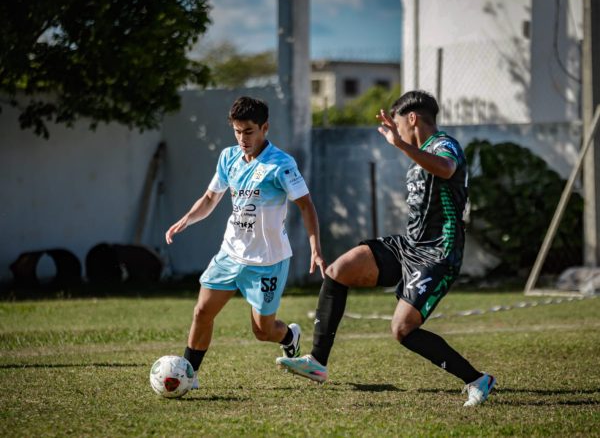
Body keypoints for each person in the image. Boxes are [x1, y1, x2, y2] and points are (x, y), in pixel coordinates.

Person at [276, 90, 496, 407]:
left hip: (438, 253)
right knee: (338, 271)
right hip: (409, 246)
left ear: (412, 118)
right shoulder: (420, 152)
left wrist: (401, 145)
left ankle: (477, 379)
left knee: (403, 329)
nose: (396, 131)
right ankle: (317, 362)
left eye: (398, 124)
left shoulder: (444, 145)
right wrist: (405, 145)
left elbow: (447, 169)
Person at [166, 96, 326, 389]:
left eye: (249, 131)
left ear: (265, 128)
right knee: (202, 312)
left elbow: (306, 205)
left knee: (263, 331)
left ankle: (289, 336)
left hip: (267, 261)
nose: (242, 138)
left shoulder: (281, 165)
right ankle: (189, 375)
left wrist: (315, 247)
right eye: (237, 131)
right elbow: (211, 197)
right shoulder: (229, 157)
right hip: (230, 253)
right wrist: (187, 219)